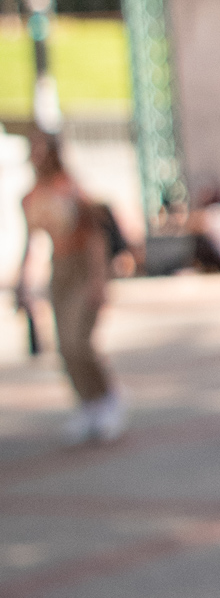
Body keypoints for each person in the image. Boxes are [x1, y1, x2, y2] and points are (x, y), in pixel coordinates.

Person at [13, 132, 126, 443]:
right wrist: (22, 282)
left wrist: (98, 280)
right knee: (64, 347)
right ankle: (87, 406)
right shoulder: (32, 196)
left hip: (83, 268)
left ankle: (107, 398)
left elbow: (95, 237)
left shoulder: (72, 191)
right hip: (58, 270)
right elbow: (31, 241)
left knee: (80, 342)